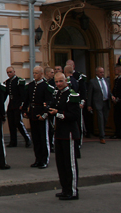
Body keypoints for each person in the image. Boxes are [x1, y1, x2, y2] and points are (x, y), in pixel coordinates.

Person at [48, 72, 81, 200]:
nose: (58, 84)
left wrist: (58, 113)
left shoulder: (72, 95)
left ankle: (72, 190)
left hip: (69, 133)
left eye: (60, 81)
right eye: (56, 82)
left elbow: (74, 116)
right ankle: (64, 188)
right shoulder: (57, 93)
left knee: (69, 163)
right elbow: (54, 107)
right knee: (60, 163)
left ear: (66, 81)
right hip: (59, 133)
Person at [22, 66, 54, 169]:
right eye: (33, 73)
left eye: (36, 73)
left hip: (41, 114)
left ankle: (45, 160)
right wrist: (24, 111)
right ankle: (38, 159)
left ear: (41, 74)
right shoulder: (30, 86)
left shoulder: (45, 86)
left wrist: (44, 114)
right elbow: (26, 100)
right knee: (35, 138)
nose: (34, 75)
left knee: (43, 138)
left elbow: (49, 103)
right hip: (33, 114)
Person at [4, 66, 30, 148]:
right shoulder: (7, 82)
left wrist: (22, 104)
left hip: (18, 104)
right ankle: (13, 141)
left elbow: (23, 94)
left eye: (10, 72)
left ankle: (27, 139)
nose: (9, 74)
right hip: (11, 104)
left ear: (14, 72)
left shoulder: (19, 81)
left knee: (18, 122)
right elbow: (5, 94)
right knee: (11, 123)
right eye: (8, 72)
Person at [86, 66, 111, 143]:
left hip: (106, 102)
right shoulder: (92, 82)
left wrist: (112, 96)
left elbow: (108, 90)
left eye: (103, 72)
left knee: (105, 118)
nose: (102, 74)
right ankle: (102, 136)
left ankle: (102, 131)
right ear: (96, 73)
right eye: (100, 72)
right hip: (98, 102)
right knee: (100, 118)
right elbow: (90, 94)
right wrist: (89, 105)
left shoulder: (107, 80)